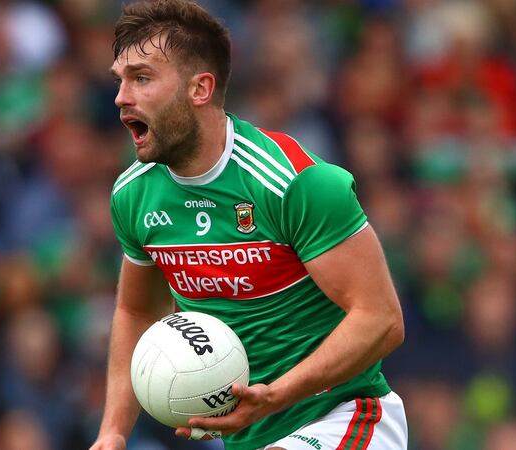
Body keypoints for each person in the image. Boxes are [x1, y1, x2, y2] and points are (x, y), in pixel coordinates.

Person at [89, 1, 407, 449]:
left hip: (348, 419)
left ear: (200, 89)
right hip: (250, 437)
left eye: (141, 78)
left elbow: (382, 320)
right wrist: (113, 432)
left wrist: (275, 396)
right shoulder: (133, 195)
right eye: (120, 80)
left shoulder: (295, 183)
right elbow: (137, 311)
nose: (121, 97)